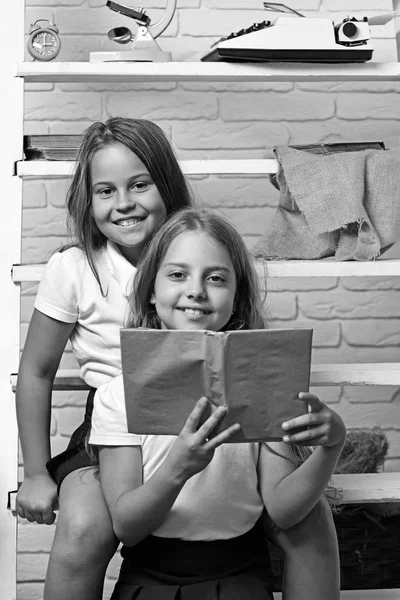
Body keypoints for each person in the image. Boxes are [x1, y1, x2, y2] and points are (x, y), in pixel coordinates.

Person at [89, 207, 346, 599]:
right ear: (151, 291)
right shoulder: (117, 396)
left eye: (216, 278)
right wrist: (178, 467)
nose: (196, 290)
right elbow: (127, 525)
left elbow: (283, 510)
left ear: (237, 295)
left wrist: (331, 446)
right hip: (150, 575)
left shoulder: (266, 385)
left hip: (241, 573)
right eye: (177, 274)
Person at [15, 117, 193, 600]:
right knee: (80, 530)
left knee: (304, 522)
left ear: (167, 185)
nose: (124, 204)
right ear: (87, 200)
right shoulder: (73, 268)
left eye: (139, 185)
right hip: (108, 430)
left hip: (196, 418)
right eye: (106, 191)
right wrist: (34, 473)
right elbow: (35, 370)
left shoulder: (198, 252)